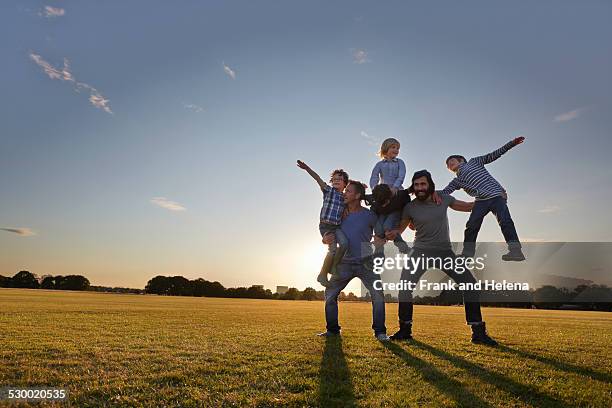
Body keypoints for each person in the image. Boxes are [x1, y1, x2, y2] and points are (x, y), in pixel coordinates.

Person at [386, 170, 498, 345]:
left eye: (423, 184)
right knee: (405, 287)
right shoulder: (410, 207)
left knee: (470, 284)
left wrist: (492, 198)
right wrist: (390, 233)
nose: (420, 188)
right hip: (420, 252)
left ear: (430, 185)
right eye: (416, 185)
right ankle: (404, 329)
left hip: (444, 252)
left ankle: (478, 331)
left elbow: (468, 206)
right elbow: (400, 229)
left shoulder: (443, 199)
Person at [319, 180, 389, 341]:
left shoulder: (369, 215)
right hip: (343, 263)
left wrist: (380, 247)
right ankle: (332, 330)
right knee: (330, 295)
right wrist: (325, 238)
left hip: (366, 263)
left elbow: (380, 235)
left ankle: (380, 332)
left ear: (357, 196)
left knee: (378, 295)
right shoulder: (339, 213)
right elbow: (327, 230)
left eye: (349, 191)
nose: (344, 193)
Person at [441, 137, 526, 261]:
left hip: (496, 196)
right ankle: (467, 255)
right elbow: (444, 192)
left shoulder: (474, 162)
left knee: (505, 221)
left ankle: (516, 251)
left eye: (451, 161)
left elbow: (494, 155)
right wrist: (428, 193)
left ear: (461, 160)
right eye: (448, 165)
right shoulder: (457, 181)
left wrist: (511, 144)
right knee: (471, 225)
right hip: (481, 201)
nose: (449, 164)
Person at [297, 160, 349, 287]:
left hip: (336, 226)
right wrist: (307, 168)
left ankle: (334, 267)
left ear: (345, 184)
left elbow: (356, 194)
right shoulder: (328, 191)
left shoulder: (345, 197)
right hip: (325, 226)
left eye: (340, 179)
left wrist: (361, 186)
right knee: (332, 250)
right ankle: (322, 274)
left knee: (344, 243)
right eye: (334, 179)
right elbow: (317, 178)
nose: (336, 181)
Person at [369, 138, 409, 256]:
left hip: (396, 196)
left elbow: (401, 175)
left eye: (397, 148)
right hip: (383, 196)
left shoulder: (400, 162)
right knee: (380, 229)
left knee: (388, 225)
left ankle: (403, 247)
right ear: (385, 148)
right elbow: (374, 177)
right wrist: (375, 189)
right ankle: (379, 254)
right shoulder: (380, 164)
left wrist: (395, 187)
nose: (396, 150)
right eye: (393, 147)